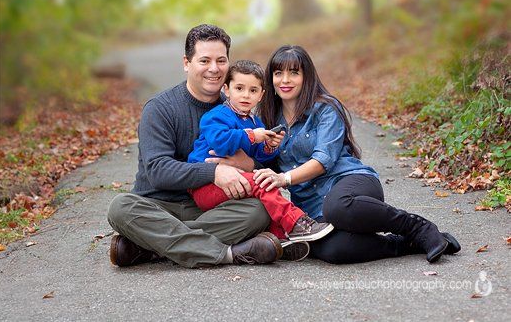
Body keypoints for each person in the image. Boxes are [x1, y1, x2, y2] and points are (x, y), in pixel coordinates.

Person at [107, 25, 306, 268]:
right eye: (204, 60)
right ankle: (229, 254)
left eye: (221, 60)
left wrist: (251, 164)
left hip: (209, 208)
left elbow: (264, 164)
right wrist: (214, 172)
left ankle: (147, 246)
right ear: (186, 63)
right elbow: (158, 171)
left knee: (259, 210)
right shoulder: (160, 108)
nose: (214, 68)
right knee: (120, 208)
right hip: (158, 206)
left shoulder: (238, 105)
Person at [254, 45, 461, 264]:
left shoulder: (325, 108)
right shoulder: (266, 120)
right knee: (333, 250)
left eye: (294, 73)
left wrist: (284, 178)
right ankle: (404, 243)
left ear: (307, 77)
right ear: (271, 80)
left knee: (338, 207)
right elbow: (262, 163)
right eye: (278, 73)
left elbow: (323, 160)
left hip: (351, 184)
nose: (285, 80)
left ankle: (417, 227)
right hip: (313, 207)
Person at [187, 60, 334, 245]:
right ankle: (296, 222)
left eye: (253, 90)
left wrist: (269, 146)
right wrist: (251, 137)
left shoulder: (255, 122)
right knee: (261, 182)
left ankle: (281, 240)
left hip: (234, 181)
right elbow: (220, 142)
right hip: (205, 185)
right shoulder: (216, 116)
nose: (245, 95)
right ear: (226, 89)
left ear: (261, 95)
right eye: (239, 88)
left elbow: (257, 158)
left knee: (264, 185)